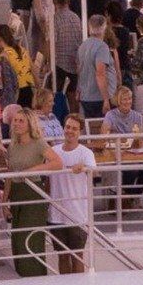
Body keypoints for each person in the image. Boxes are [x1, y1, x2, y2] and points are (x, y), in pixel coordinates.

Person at [5, 106, 52, 277]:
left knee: (30, 238)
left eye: (21, 121)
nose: (16, 124)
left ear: (29, 124)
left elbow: (57, 163)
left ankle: (36, 278)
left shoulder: (38, 143)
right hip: (16, 193)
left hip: (33, 192)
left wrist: (32, 170)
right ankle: (22, 278)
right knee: (17, 239)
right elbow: (9, 174)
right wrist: (4, 201)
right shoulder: (13, 145)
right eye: (15, 120)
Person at [47, 113, 96, 272]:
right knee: (62, 255)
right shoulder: (53, 151)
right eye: (68, 127)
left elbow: (94, 173)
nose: (70, 131)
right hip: (56, 213)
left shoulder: (86, 153)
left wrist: (83, 168)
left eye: (74, 128)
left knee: (77, 255)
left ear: (80, 132)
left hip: (78, 214)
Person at [97, 84, 143, 207]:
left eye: (130, 99)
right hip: (116, 153)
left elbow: (141, 140)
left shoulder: (137, 116)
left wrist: (137, 139)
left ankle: (130, 196)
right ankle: (124, 197)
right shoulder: (111, 115)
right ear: (118, 101)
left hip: (133, 153)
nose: (128, 102)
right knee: (130, 171)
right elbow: (103, 135)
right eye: (125, 99)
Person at [76, 13, 117, 123]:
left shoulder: (83, 46)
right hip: (98, 97)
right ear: (104, 27)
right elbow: (100, 73)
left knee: (90, 127)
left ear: (89, 27)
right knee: (101, 129)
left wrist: (78, 89)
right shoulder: (102, 47)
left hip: (85, 95)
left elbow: (80, 70)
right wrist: (106, 99)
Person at [50, 0, 82, 117]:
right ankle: (75, 119)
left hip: (60, 62)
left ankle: (60, 120)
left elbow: (52, 42)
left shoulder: (55, 19)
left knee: (58, 96)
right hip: (74, 61)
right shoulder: (76, 17)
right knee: (72, 95)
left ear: (55, 2)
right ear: (67, 1)